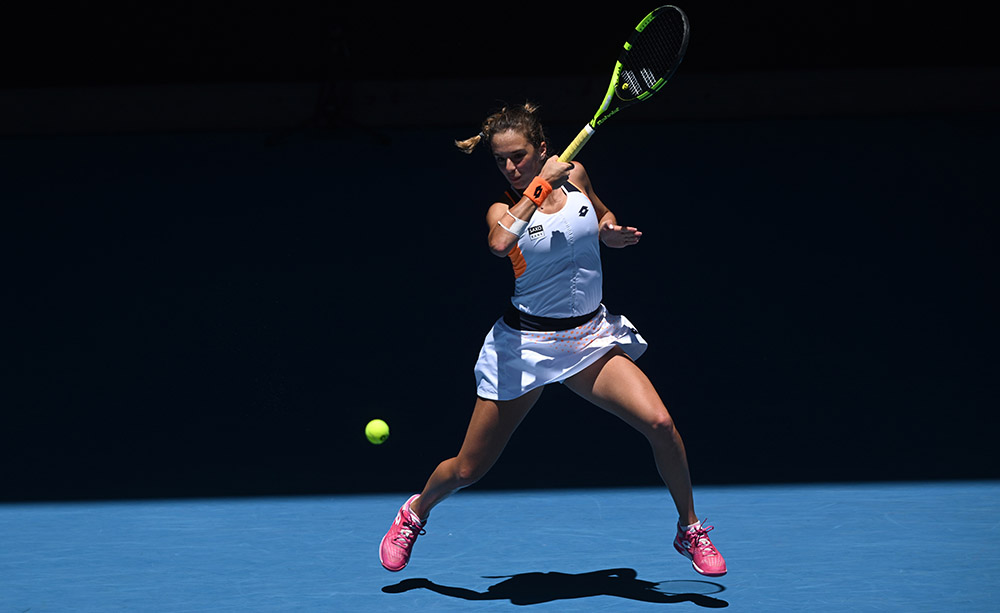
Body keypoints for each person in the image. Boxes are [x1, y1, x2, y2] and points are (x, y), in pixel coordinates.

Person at [378, 102, 726, 577]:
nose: (510, 167)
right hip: (525, 348)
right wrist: (540, 185)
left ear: (542, 149)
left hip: (588, 339)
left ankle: (689, 528)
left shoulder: (577, 175)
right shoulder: (503, 207)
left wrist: (610, 232)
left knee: (661, 424)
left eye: (519, 156)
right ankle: (416, 511)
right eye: (501, 160)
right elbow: (500, 244)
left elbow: (601, 215)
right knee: (467, 470)